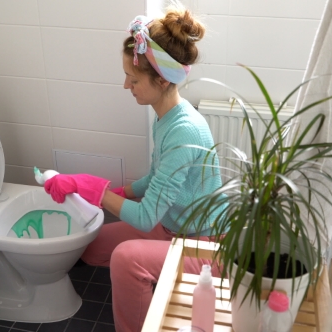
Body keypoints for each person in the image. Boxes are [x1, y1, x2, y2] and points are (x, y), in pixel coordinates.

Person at [43, 4, 223, 332]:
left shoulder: (183, 130)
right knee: (91, 245)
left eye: (134, 78)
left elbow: (145, 217)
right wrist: (119, 192)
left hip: (204, 245)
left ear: (163, 79)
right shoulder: (167, 115)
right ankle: (157, 279)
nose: (127, 86)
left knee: (126, 259)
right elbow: (157, 177)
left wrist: (92, 188)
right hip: (172, 226)